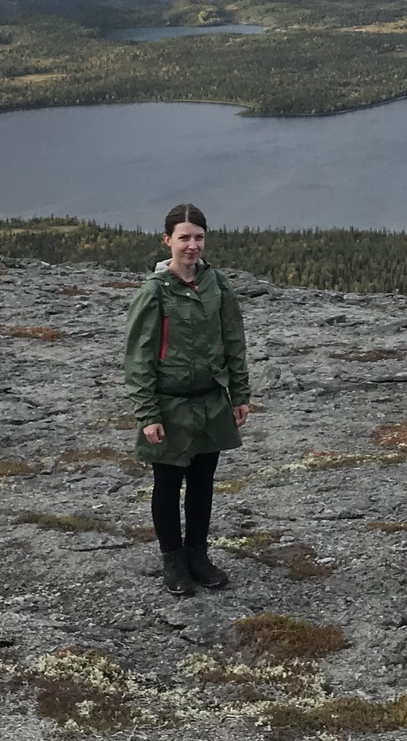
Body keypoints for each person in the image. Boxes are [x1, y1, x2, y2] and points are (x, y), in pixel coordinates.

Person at [123, 202, 252, 596]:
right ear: (167, 241)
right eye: (184, 238)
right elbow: (139, 357)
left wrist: (239, 394)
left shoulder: (217, 284)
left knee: (202, 482)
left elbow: (233, 341)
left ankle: (198, 555)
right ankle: (173, 561)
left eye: (198, 237)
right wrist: (148, 413)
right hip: (171, 403)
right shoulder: (154, 292)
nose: (192, 245)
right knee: (167, 484)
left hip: (212, 402)